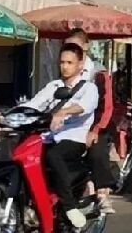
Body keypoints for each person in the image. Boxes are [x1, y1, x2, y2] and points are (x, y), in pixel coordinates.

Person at [22, 43, 98, 229]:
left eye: (70, 62)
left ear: (80, 65)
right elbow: (34, 105)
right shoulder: (53, 86)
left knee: (54, 155)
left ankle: (69, 205)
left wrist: (63, 112)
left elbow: (84, 107)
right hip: (48, 136)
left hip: (73, 138)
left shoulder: (89, 88)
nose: (65, 66)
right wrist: (5, 117)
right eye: (62, 62)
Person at [65, 28, 116, 214]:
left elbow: (107, 106)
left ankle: (102, 194)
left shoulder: (99, 74)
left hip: (95, 126)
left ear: (86, 48)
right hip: (69, 126)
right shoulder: (64, 73)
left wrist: (95, 130)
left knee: (96, 151)